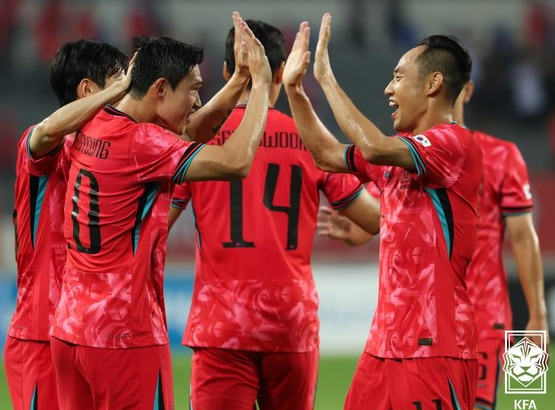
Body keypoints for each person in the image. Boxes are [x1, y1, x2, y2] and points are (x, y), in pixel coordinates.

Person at [45, 21, 272, 410]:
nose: (197, 102)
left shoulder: (92, 124)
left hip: (70, 331)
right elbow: (236, 161)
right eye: (193, 90)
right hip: (124, 335)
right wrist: (261, 87)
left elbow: (182, 138)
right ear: (161, 89)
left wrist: (236, 82)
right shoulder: (142, 142)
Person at [168, 19, 380, 410]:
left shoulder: (198, 145)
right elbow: (373, 219)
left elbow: (155, 223)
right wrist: (360, 226)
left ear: (228, 71)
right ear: (281, 72)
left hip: (222, 324)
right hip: (291, 321)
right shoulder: (309, 139)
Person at [283, 14, 483, 410]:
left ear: (432, 84)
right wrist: (295, 90)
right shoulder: (399, 153)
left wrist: (326, 78)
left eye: (398, 77)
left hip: (434, 346)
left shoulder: (454, 144)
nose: (388, 88)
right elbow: (326, 155)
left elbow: (373, 147)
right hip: (383, 347)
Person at [317, 79, 550, 410]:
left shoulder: (500, 155)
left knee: (496, 404)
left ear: (464, 89)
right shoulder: (405, 154)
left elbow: (524, 237)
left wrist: (538, 314)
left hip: (484, 315)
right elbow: (382, 218)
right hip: (424, 323)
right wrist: (355, 231)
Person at [5, 39, 129, 410]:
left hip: (89, 334)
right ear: (88, 90)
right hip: (41, 331)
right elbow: (46, 132)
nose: (127, 91)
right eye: (119, 82)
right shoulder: (43, 143)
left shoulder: (110, 152)